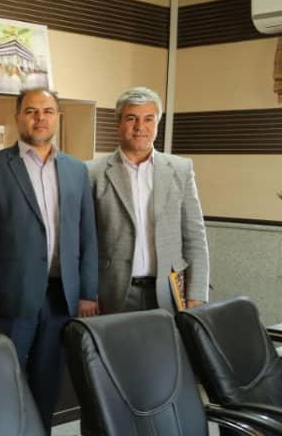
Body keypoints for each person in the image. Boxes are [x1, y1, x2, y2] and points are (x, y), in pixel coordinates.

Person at [0, 87, 98, 436]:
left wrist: (88, 291)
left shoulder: (76, 170)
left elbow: (88, 234)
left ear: (57, 117)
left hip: (61, 298)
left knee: (47, 383)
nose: (40, 118)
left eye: (48, 111)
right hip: (10, 299)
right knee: (2, 382)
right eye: (31, 111)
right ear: (17, 118)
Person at [89, 86, 208, 313]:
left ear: (157, 124)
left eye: (148, 119)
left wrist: (197, 293)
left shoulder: (180, 169)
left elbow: (195, 236)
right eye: (131, 118)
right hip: (112, 292)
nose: (139, 126)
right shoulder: (92, 172)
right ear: (118, 124)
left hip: (168, 292)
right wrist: (86, 293)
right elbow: (83, 242)